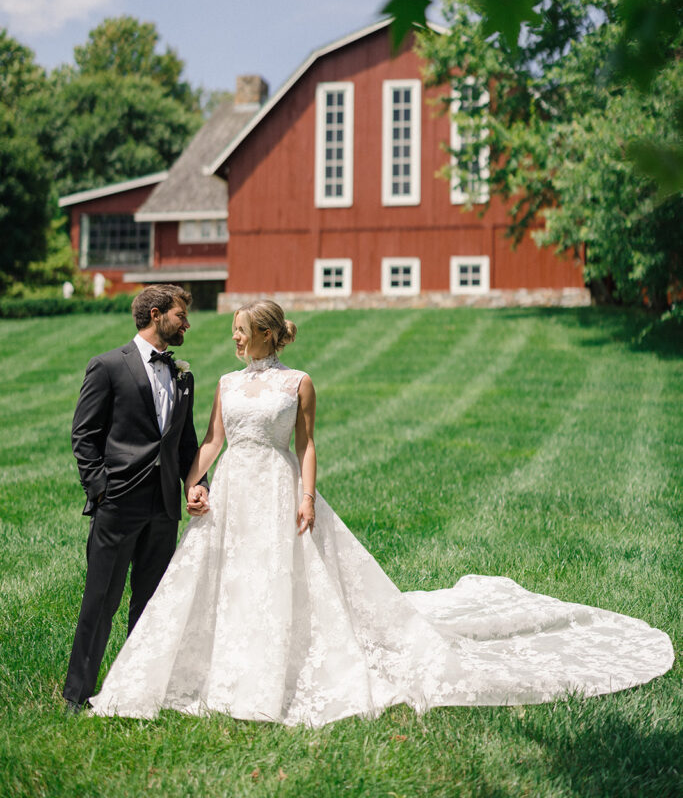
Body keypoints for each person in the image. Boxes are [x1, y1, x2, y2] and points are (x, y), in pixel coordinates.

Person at [89, 300, 673, 726]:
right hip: (234, 491)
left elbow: (306, 446)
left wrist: (307, 496)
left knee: (276, 578)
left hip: (277, 490)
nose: (235, 340)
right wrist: (195, 484)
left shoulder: (299, 383)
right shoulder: (223, 382)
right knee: (225, 579)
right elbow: (213, 440)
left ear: (267, 334)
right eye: (234, 333)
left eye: (242, 332)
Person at [63, 284, 209, 713]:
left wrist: (198, 483)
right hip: (118, 504)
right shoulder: (108, 366)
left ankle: (136, 693)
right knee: (100, 602)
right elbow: (84, 435)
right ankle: (77, 696)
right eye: (181, 315)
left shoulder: (183, 375)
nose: (187, 324)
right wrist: (101, 490)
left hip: (164, 507)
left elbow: (186, 442)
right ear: (156, 314)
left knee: (151, 606)